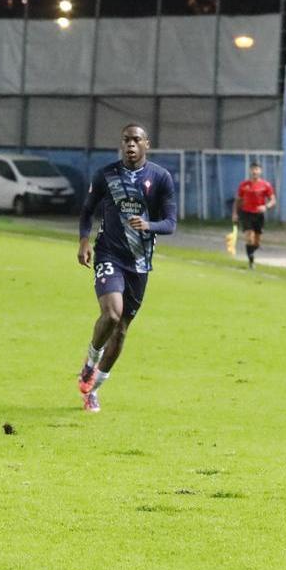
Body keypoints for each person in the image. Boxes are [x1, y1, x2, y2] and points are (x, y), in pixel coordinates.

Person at [75, 124, 177, 413]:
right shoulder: (106, 174)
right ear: (121, 144)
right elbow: (87, 210)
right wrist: (84, 241)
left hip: (140, 262)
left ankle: (93, 390)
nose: (131, 145)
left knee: (120, 331)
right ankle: (90, 361)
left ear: (147, 144)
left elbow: (170, 223)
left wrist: (149, 225)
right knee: (111, 313)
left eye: (136, 140)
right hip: (109, 254)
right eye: (126, 140)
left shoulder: (160, 177)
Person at [231, 162, 277, 269]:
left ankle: (252, 251)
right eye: (252, 169)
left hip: (259, 215)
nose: (254, 171)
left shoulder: (266, 185)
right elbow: (237, 200)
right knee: (249, 238)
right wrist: (235, 213)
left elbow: (273, 200)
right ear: (250, 171)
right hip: (246, 214)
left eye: (256, 169)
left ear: (260, 171)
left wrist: (266, 206)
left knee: (256, 242)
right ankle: (251, 262)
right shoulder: (244, 185)